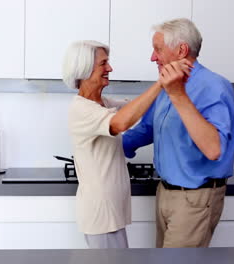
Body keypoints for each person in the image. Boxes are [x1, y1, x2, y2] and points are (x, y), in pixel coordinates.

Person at [62, 40, 192, 248]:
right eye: (103, 64)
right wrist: (161, 82)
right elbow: (121, 122)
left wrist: (170, 86)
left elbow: (134, 108)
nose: (110, 68)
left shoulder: (102, 103)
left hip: (110, 213)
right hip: (101, 215)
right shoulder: (81, 109)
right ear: (85, 69)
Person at [123, 18, 234, 248]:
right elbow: (148, 128)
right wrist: (110, 144)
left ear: (181, 50)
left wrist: (178, 94)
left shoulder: (214, 86)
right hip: (165, 192)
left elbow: (214, 149)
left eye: (157, 49)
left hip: (194, 198)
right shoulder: (169, 84)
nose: (152, 57)